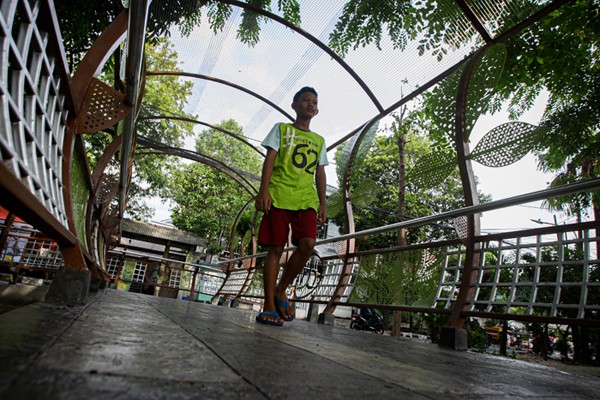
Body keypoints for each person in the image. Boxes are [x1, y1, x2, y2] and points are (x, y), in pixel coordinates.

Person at [254, 86, 328, 326]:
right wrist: (263, 191)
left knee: (308, 244)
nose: (310, 104)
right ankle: (269, 305)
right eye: (305, 100)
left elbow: (320, 173)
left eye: (314, 102)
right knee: (275, 248)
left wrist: (323, 203)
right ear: (294, 105)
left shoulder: (319, 140)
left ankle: (281, 289)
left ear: (317, 110)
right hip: (278, 195)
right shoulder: (281, 129)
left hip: (306, 200)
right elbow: (270, 160)